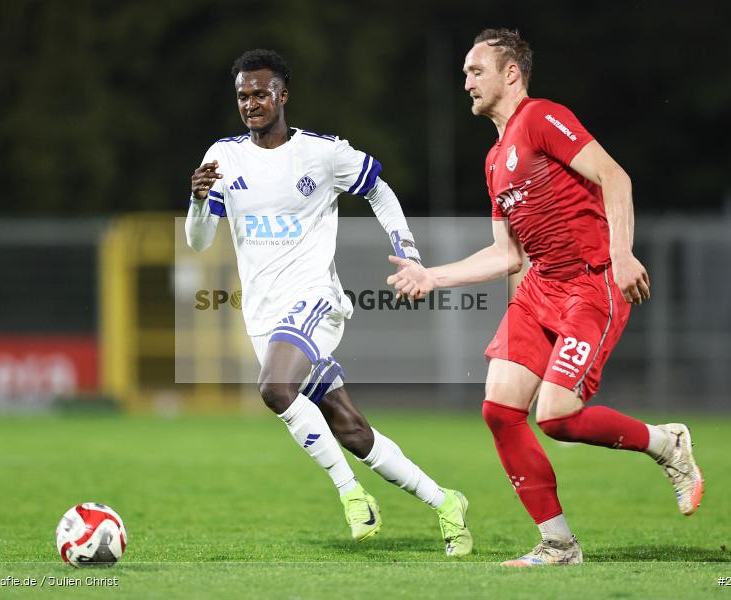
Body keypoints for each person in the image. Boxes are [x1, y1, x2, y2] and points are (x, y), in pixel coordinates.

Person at [388, 29, 704, 566]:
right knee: (499, 411)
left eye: (475, 70)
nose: (465, 81)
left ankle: (666, 443)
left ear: (511, 73)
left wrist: (622, 254)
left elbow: (615, 178)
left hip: (591, 281)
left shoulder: (539, 118)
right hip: (539, 289)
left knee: (557, 416)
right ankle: (559, 544)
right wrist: (432, 276)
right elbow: (507, 255)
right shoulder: (494, 160)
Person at [185, 49, 472, 556]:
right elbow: (200, 241)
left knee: (275, 388)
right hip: (263, 314)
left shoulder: (321, 152)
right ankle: (447, 502)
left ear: (283, 95)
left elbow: (379, 191)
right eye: (242, 95)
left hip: (316, 299)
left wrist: (408, 251)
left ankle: (351, 494)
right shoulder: (224, 157)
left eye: (260, 93)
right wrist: (196, 201)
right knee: (350, 428)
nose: (250, 103)